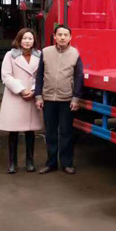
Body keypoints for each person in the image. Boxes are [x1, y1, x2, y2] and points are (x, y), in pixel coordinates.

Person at [35, 25, 84, 175]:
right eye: (60, 34)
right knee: (50, 133)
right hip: (48, 98)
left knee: (66, 132)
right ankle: (51, 163)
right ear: (54, 36)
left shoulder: (74, 53)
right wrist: (38, 96)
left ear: (70, 37)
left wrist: (76, 98)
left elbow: (79, 77)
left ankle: (67, 164)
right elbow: (39, 75)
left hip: (66, 100)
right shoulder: (46, 52)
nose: (62, 37)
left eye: (65, 35)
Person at [0, 28, 43, 173]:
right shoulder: (10, 55)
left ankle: (30, 162)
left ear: (34, 41)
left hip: (31, 96)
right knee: (13, 131)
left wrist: (34, 90)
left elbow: (42, 75)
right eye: (24, 38)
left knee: (30, 132)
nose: (27, 41)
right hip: (15, 96)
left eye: (30, 38)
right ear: (19, 40)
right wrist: (21, 89)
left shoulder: (40, 55)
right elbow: (6, 76)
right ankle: (12, 163)